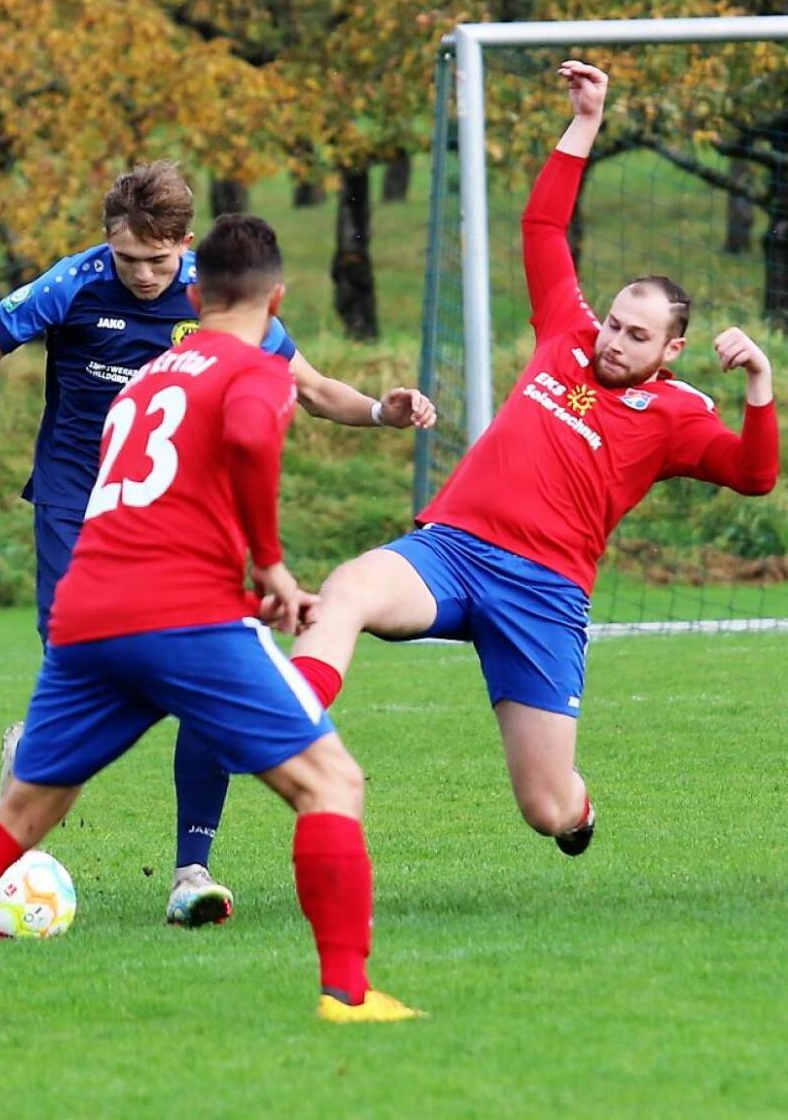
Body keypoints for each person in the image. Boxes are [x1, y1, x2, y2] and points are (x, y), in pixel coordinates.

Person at [0, 161, 436, 928]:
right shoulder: (70, 284)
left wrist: (380, 409)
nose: (140, 274)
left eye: (157, 260)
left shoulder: (220, 297)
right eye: (126, 257)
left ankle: (190, 869)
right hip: (80, 512)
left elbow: (307, 385)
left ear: (187, 247)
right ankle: (30, 780)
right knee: (93, 673)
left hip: (190, 523)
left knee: (203, 690)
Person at [288, 61, 779, 854]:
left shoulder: (677, 415)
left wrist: (759, 381)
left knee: (547, 809)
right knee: (346, 588)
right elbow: (542, 229)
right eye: (613, 322)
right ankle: (290, 729)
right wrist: (584, 122)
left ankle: (578, 812)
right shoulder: (565, 332)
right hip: (451, 550)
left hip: (543, 594)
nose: (612, 340)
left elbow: (755, 476)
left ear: (672, 348)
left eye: (635, 334)